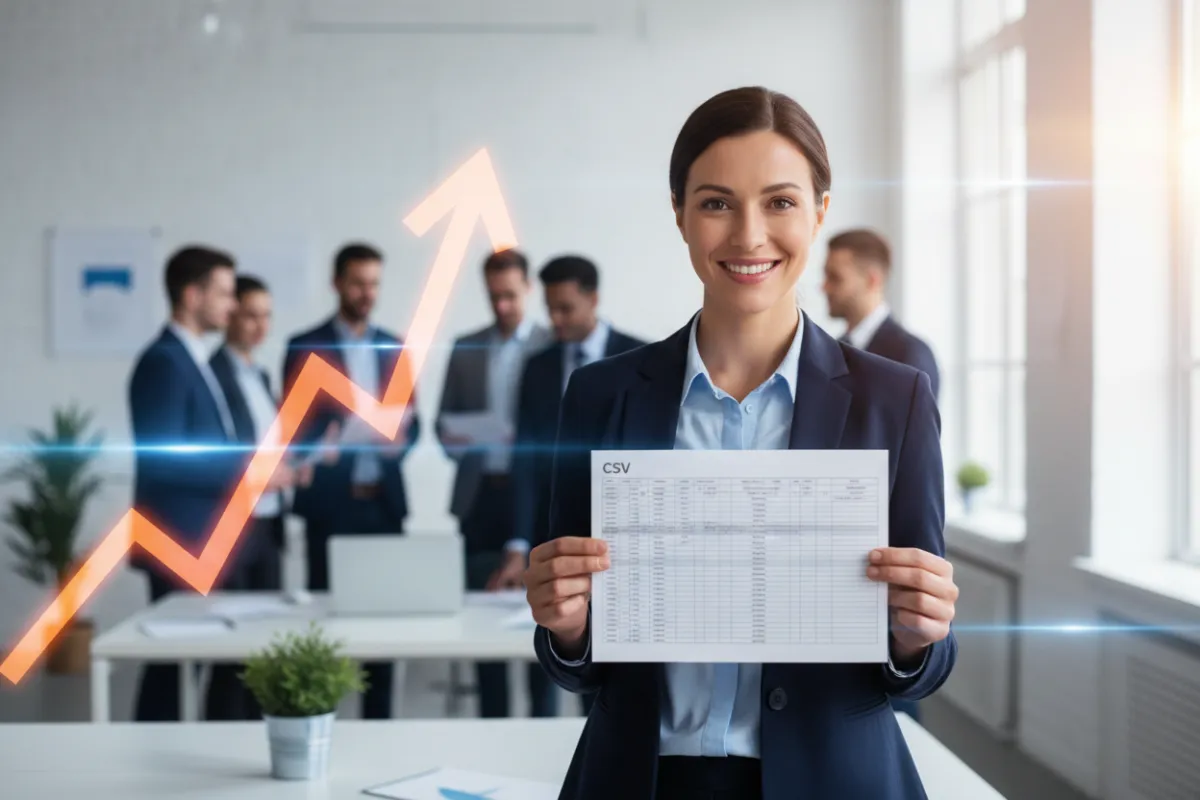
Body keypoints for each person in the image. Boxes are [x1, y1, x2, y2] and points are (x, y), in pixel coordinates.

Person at [523, 87, 959, 799]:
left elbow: (923, 659)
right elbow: (576, 656)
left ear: (820, 211)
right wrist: (568, 629)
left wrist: (917, 639)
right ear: (680, 215)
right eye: (717, 203)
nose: (749, 236)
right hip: (641, 778)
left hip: (833, 778)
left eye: (781, 203)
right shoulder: (600, 395)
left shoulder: (895, 397)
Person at [128, 246, 293, 722]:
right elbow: (163, 460)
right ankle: (148, 771)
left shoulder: (195, 360)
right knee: (170, 673)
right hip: (182, 544)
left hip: (209, 543)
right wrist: (253, 471)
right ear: (191, 295)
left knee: (215, 668)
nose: (230, 303)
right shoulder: (165, 361)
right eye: (222, 292)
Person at [282, 242, 421, 720]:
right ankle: (319, 721)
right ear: (337, 283)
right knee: (326, 621)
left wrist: (399, 439)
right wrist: (331, 436)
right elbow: (292, 430)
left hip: (382, 504)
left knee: (383, 625)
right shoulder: (305, 346)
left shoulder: (395, 346)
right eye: (358, 283)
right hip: (330, 506)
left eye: (374, 284)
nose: (367, 293)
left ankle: (379, 723)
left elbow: (413, 422)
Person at [510, 254, 646, 717]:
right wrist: (519, 540)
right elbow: (526, 463)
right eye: (549, 308)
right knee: (557, 647)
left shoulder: (642, 360)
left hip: (622, 543)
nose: (556, 319)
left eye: (566, 307)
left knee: (611, 677)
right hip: (556, 532)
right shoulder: (539, 367)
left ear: (594, 299)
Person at [436, 248, 554, 718]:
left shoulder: (551, 346)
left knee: (539, 617)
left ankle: (541, 718)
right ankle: (492, 719)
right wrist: (464, 436)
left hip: (537, 499)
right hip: (480, 495)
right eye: (493, 296)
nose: (502, 305)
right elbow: (442, 429)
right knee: (482, 616)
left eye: (510, 295)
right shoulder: (466, 347)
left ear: (527, 288)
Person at [823, 228, 940, 400]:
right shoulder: (831, 351)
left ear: (872, 280)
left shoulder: (911, 354)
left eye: (835, 277)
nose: (824, 287)